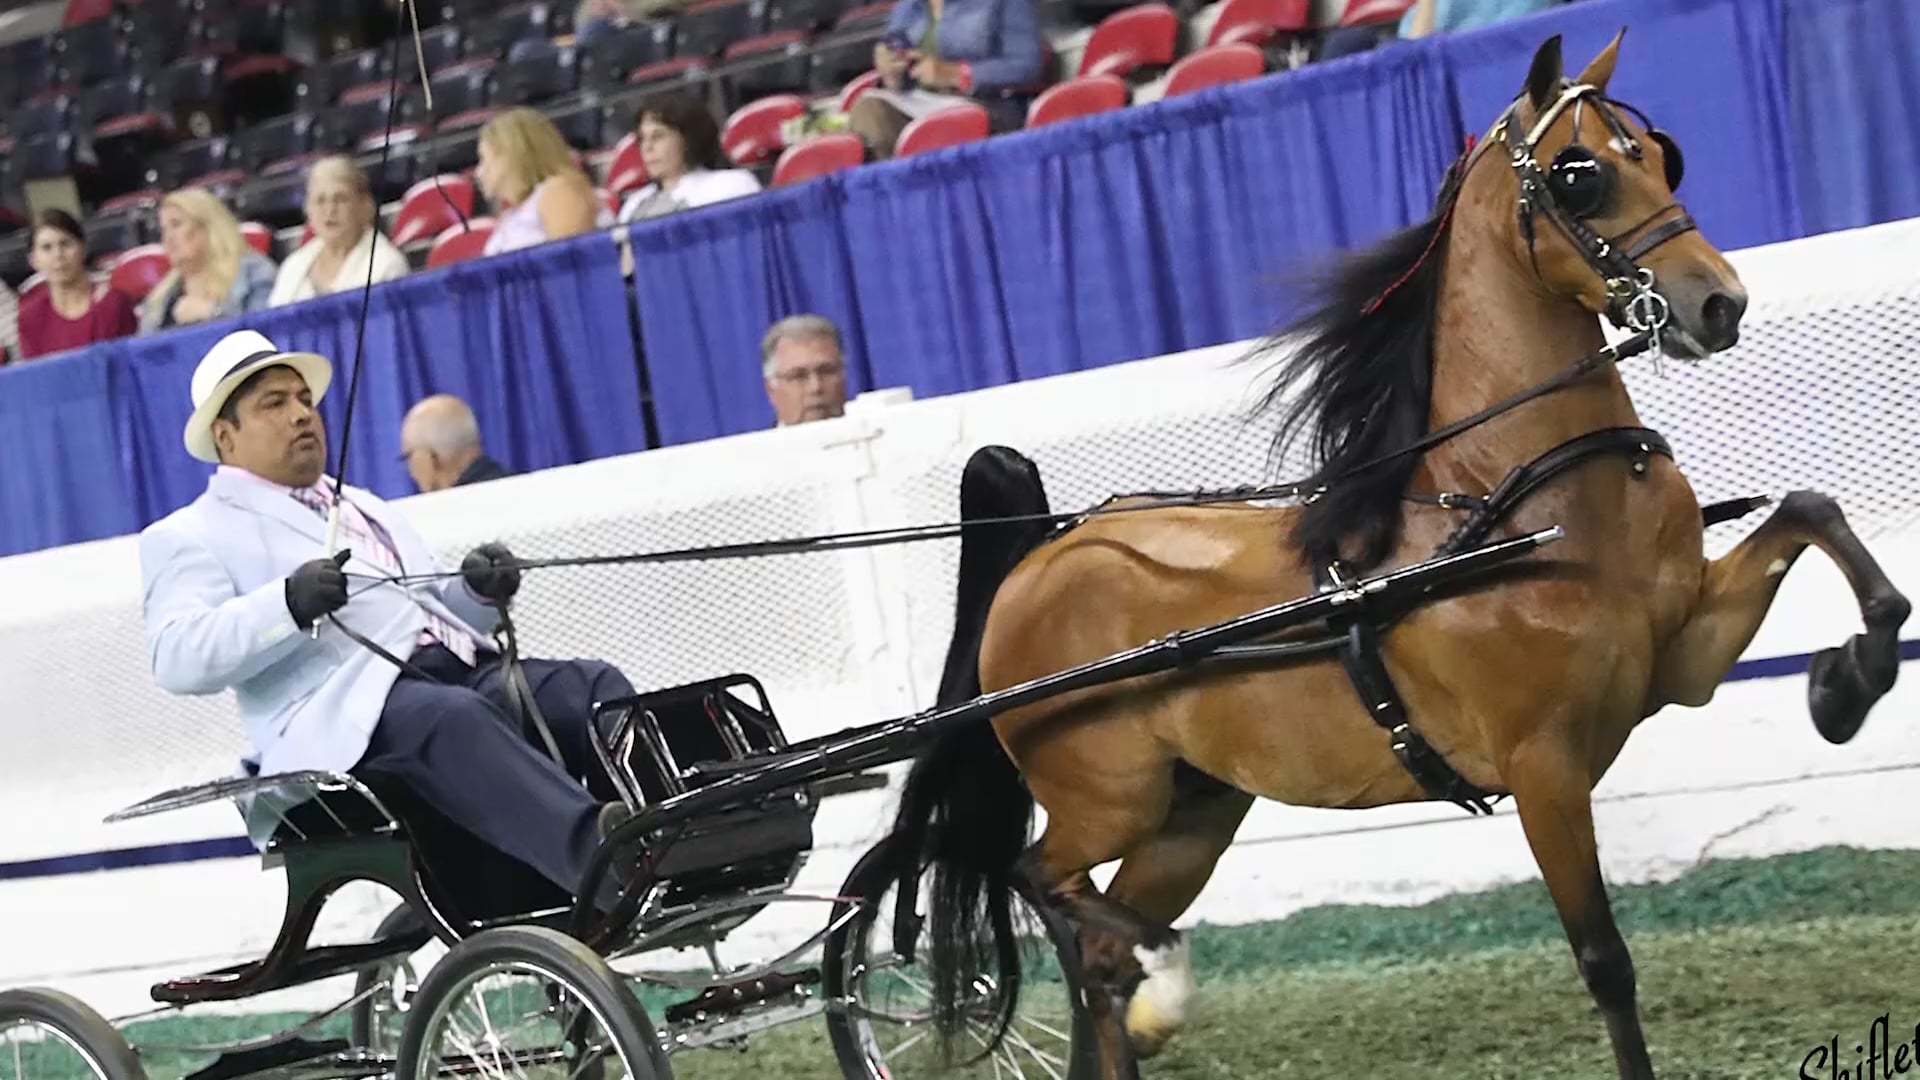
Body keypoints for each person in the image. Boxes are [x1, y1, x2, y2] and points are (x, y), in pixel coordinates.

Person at [138, 329, 635, 904]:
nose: (302, 415)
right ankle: (602, 865)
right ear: (225, 436)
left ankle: (668, 830)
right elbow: (177, 657)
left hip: (453, 680)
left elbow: (425, 603)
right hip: (344, 718)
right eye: (274, 404)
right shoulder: (190, 534)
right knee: (451, 718)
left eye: (304, 400)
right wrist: (287, 604)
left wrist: (476, 589)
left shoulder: (364, 506)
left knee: (588, 687)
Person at [848, 0, 1045, 158]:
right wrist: (891, 74)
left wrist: (956, 74)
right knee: (868, 109)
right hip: (917, 108)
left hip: (988, 107)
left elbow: (1027, 64)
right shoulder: (907, 7)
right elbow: (897, 66)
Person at [268, 155, 410, 307]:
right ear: (308, 210)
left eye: (341, 199)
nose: (330, 210)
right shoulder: (293, 266)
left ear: (365, 206)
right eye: (320, 200)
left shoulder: (388, 265)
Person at [475, 108, 612, 257]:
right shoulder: (509, 216)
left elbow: (571, 265)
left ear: (512, 155)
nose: (478, 172)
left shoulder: (560, 191)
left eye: (484, 159)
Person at [138, 188, 278, 334]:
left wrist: (212, 313)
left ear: (208, 226)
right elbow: (142, 352)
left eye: (176, 224)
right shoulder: (158, 299)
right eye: (164, 230)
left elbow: (266, 332)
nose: (168, 238)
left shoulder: (254, 272)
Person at [614, 94, 762, 225]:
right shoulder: (633, 205)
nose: (647, 147)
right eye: (642, 139)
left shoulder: (731, 186)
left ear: (688, 139)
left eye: (658, 136)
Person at [16, 209, 138, 360]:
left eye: (65, 244)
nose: (58, 255)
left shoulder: (114, 303)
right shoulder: (30, 317)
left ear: (83, 249)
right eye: (47, 248)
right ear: (33, 260)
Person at [400, 393, 513, 492]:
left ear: (431, 458)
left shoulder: (450, 513)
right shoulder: (518, 489)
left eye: (408, 457)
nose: (411, 472)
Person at [762, 314, 849, 426]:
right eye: (798, 376)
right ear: (771, 390)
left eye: (826, 371)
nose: (816, 387)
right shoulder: (756, 444)